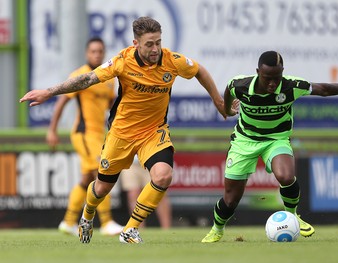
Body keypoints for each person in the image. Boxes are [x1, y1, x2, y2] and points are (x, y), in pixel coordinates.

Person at [20, 16, 226, 244]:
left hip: (153, 132)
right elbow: (88, 78)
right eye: (149, 44)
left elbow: (200, 71)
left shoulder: (172, 61)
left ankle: (130, 229)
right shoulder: (123, 61)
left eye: (158, 42)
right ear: (136, 43)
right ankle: (87, 214)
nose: (155, 48)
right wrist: (49, 92)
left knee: (164, 175)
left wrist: (218, 101)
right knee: (101, 188)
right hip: (121, 134)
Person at [201, 50, 338, 243]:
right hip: (244, 141)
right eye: (267, 78)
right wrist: (227, 109)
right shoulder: (241, 85)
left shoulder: (291, 86)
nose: (272, 83)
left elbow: (325, 89)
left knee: (286, 176)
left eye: (276, 78)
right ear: (257, 72)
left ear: (283, 73)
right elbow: (229, 91)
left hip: (276, 139)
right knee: (230, 200)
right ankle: (217, 229)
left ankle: (293, 215)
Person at [46, 37, 123, 236]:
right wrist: (52, 130)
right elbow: (62, 102)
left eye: (100, 51)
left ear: (104, 53)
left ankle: (68, 222)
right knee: (101, 173)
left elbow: (108, 105)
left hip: (99, 135)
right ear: (87, 53)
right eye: (93, 51)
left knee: (85, 179)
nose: (97, 54)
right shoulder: (80, 75)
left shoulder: (108, 78)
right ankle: (107, 222)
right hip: (83, 133)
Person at [120, 156, 172, 229]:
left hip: (150, 160)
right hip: (130, 162)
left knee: (159, 193)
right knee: (133, 194)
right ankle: (138, 228)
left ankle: (167, 228)